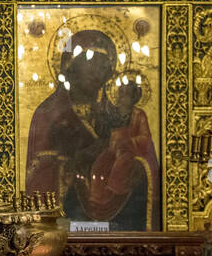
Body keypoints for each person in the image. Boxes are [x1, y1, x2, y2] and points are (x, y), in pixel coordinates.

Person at [24, 29, 159, 228]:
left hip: (119, 223)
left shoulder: (120, 115)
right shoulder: (49, 113)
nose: (97, 72)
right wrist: (73, 164)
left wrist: (134, 167)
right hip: (65, 221)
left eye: (103, 66)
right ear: (71, 67)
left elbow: (149, 162)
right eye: (89, 63)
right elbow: (36, 173)